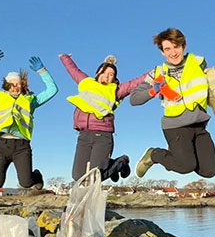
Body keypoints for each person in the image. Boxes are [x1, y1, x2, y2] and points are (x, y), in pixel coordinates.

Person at [129, 29, 215, 179]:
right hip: (175, 126)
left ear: (184, 46)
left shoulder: (199, 63)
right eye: (167, 49)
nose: (173, 52)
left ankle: (179, 153)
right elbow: (134, 99)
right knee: (185, 165)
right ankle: (154, 155)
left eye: (176, 46)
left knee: (208, 171)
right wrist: (153, 91)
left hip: (199, 124)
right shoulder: (158, 72)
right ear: (162, 52)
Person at [0, 49, 59, 192]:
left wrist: (42, 71)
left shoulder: (30, 101)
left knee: (26, 183)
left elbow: (52, 89)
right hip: (2, 145)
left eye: (18, 83)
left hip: (22, 146)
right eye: (11, 83)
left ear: (23, 85)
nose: (15, 86)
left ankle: (37, 176)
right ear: (6, 85)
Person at [59, 53, 151, 182]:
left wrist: (155, 73)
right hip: (83, 135)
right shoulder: (86, 82)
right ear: (98, 73)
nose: (107, 76)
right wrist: (65, 57)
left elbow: (135, 82)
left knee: (94, 177)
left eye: (111, 75)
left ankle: (120, 163)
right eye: (105, 72)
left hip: (102, 136)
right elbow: (73, 70)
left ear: (114, 79)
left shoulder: (116, 90)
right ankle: (116, 164)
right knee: (78, 176)